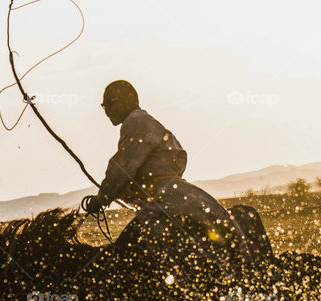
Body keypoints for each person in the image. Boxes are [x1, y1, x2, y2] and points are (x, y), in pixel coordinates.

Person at [82, 80, 259, 285]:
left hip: (164, 202)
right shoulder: (147, 123)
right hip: (175, 196)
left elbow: (123, 168)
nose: (106, 111)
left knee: (135, 256)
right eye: (104, 106)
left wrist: (100, 200)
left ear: (126, 101)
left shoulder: (136, 122)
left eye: (109, 104)